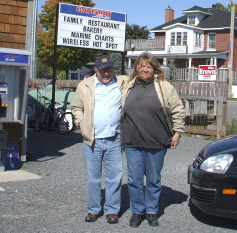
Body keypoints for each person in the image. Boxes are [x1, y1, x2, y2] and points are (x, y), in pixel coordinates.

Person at [121, 52, 185, 227]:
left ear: (154, 68)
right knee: (134, 179)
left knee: (153, 179)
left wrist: (178, 132)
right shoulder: (128, 85)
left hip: (156, 141)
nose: (145, 69)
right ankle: (137, 211)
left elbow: (178, 109)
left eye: (148, 66)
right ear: (136, 68)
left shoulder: (164, 86)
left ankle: (151, 211)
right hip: (132, 141)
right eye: (141, 66)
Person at [71, 55, 128, 224]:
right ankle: (94, 209)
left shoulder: (121, 83)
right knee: (93, 177)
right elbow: (76, 107)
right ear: (95, 70)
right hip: (92, 140)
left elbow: (142, 75)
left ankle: (112, 210)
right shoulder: (85, 86)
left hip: (114, 138)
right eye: (103, 70)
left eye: (109, 69)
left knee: (115, 177)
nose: (106, 73)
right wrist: (81, 124)